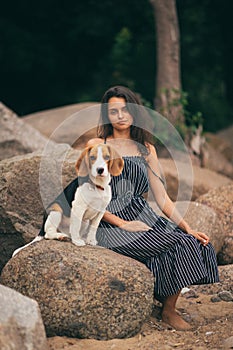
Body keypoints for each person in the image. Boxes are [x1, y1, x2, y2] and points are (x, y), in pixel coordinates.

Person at [86, 85, 219, 331]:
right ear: (107, 115)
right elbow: (89, 198)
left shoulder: (146, 148)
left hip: (142, 214)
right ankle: (168, 312)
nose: (121, 116)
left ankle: (166, 305)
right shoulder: (97, 144)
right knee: (179, 244)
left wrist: (188, 227)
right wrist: (123, 223)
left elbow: (162, 197)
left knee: (193, 241)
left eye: (125, 110)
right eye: (114, 111)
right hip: (109, 221)